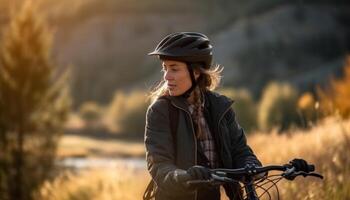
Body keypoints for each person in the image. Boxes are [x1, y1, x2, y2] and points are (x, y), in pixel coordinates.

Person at [144, 32, 262, 200]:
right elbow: (159, 165)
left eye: (174, 69)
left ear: (197, 73)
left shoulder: (221, 107)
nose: (166, 76)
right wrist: (184, 175)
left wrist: (251, 164)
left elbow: (239, 150)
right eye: (165, 69)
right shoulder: (160, 111)